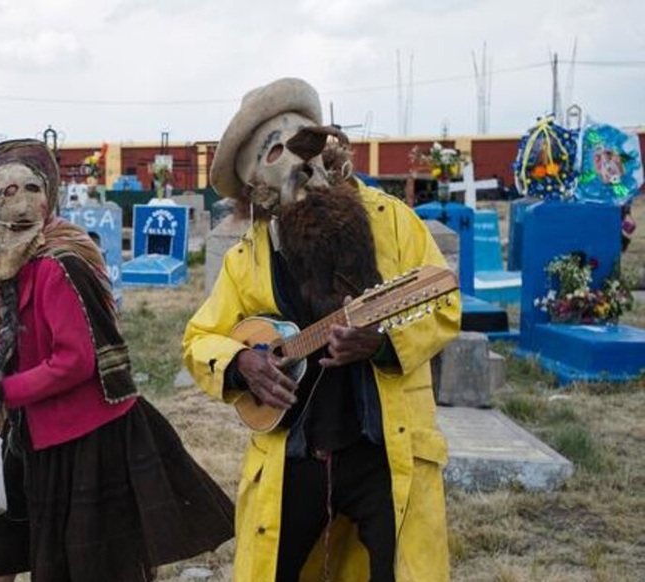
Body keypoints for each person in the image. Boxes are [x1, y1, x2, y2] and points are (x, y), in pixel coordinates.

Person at [182, 78, 460, 581]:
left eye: (307, 142)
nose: (302, 162)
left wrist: (381, 344)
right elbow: (199, 339)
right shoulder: (248, 259)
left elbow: (442, 303)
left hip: (384, 449)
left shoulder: (391, 222)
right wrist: (243, 364)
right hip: (296, 454)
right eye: (277, 153)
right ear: (256, 189)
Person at [0, 139, 234, 582]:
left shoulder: (58, 265)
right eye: (6, 193)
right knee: (9, 545)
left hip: (88, 434)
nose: (23, 203)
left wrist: (2, 389)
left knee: (92, 565)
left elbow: (76, 360)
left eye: (32, 187)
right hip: (33, 427)